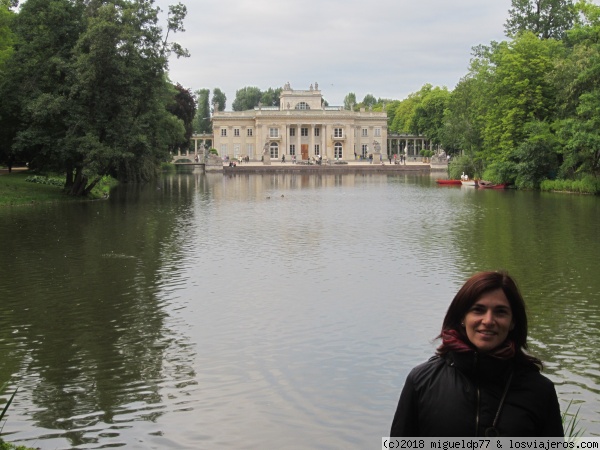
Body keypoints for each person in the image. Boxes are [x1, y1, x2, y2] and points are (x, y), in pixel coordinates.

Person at [390, 271, 564, 437]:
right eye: (478, 310)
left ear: (513, 322)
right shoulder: (421, 382)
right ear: (462, 318)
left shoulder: (539, 391)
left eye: (500, 312)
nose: (488, 321)